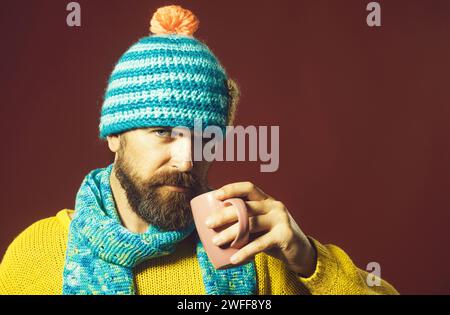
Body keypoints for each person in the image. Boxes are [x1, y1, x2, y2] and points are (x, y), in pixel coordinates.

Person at [0, 5, 398, 295]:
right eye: (164, 132)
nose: (188, 159)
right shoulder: (36, 257)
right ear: (114, 136)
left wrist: (311, 261)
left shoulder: (252, 253)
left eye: (204, 137)